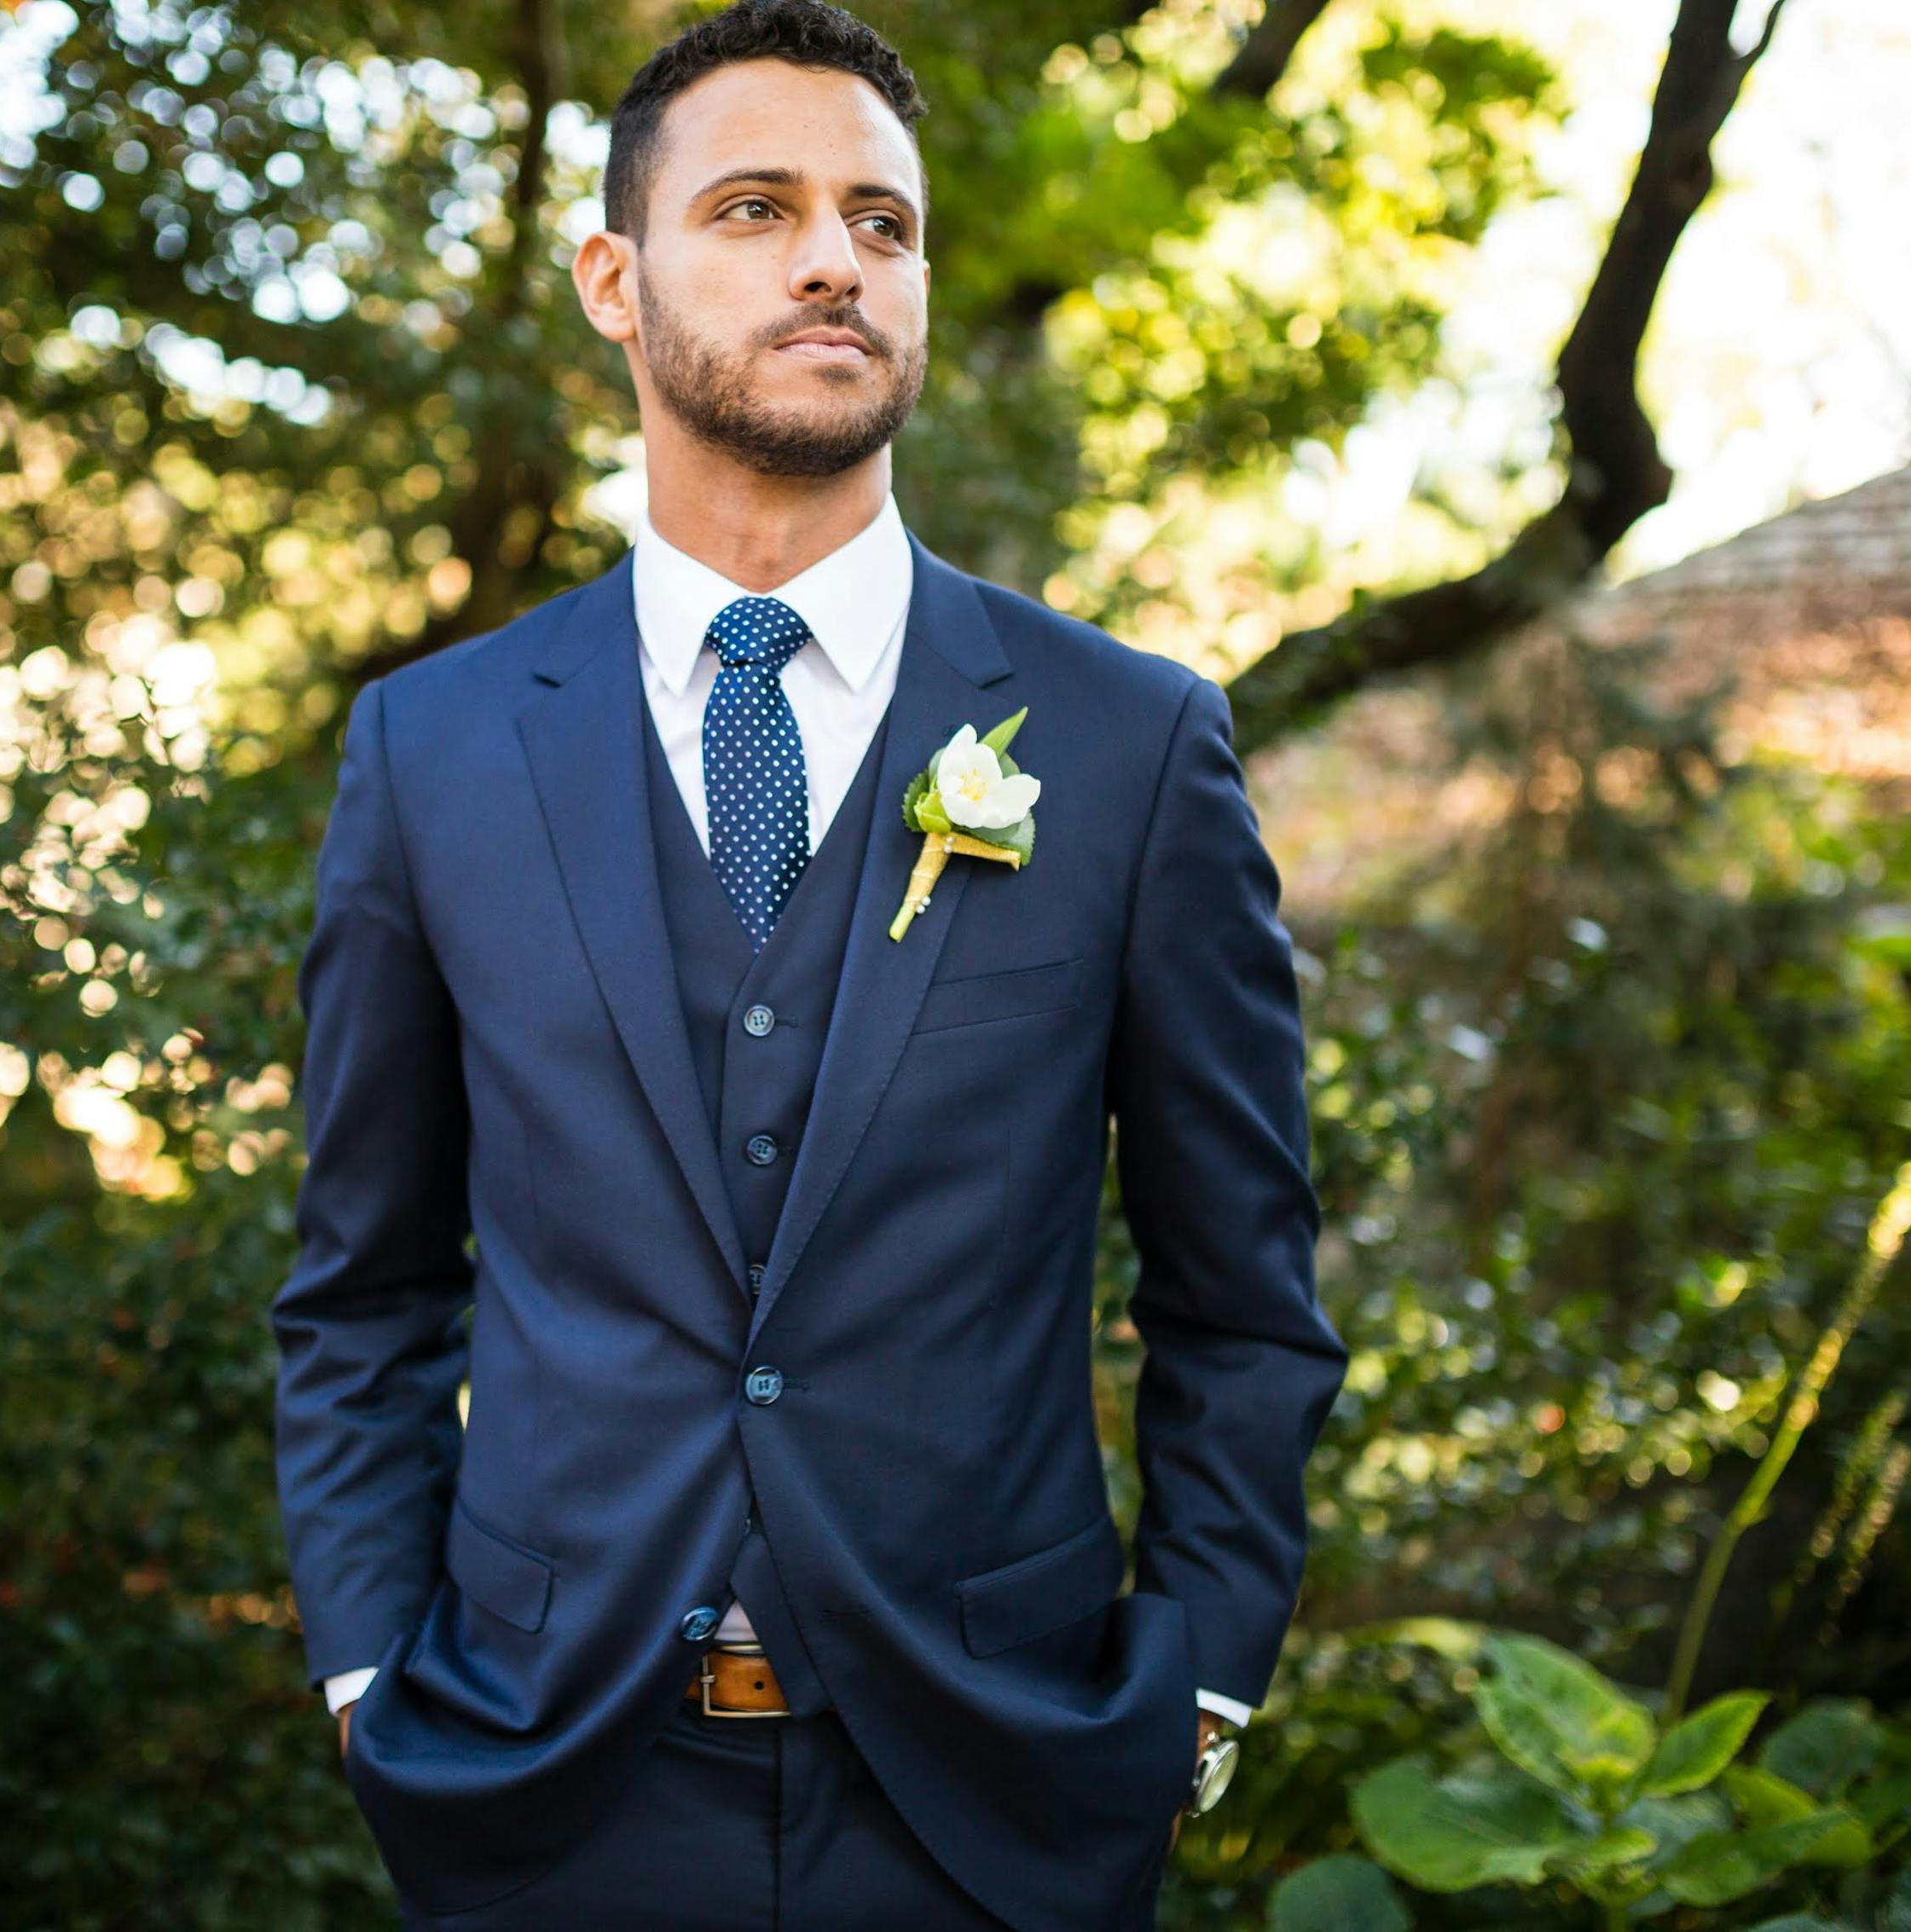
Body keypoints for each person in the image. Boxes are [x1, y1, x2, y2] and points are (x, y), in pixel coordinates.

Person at [269, 3, 1348, 1925]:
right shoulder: (430, 752)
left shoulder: (1126, 744)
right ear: (613, 277)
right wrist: (371, 1673)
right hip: (544, 1786)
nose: (834, 256)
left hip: (994, 1793)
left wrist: (1185, 1687)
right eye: (755, 208)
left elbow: (1239, 1294)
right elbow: (360, 1287)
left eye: (882, 220)